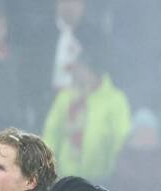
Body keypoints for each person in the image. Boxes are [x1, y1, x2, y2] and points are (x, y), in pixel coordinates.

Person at [42, 40, 131, 181]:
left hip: (101, 179)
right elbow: (52, 132)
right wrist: (47, 165)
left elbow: (121, 138)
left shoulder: (115, 100)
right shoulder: (65, 96)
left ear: (94, 71)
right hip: (66, 178)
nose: (76, 72)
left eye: (81, 68)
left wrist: (115, 171)